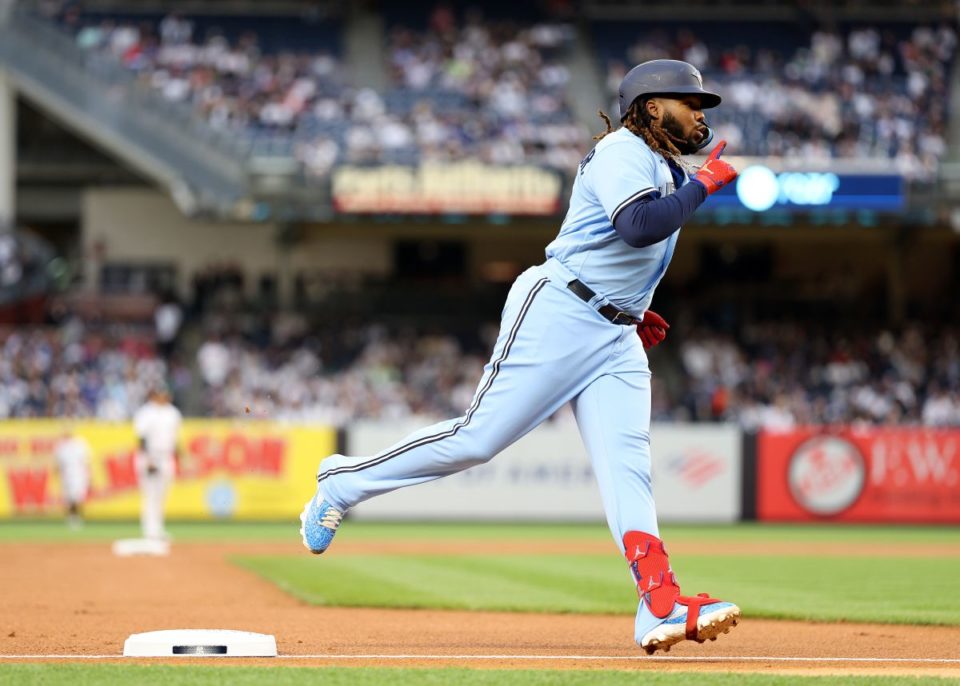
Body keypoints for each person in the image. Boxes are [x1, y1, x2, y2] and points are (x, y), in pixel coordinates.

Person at [300, 59, 742, 654]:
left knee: (628, 466)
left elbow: (635, 245)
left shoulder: (662, 166)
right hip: (561, 310)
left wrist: (633, 307)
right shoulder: (622, 149)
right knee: (477, 439)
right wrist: (705, 183)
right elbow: (637, 227)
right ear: (654, 107)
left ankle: (658, 602)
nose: (701, 115)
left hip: (614, 334)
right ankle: (342, 482)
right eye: (692, 103)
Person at [133, 387, 182, 540]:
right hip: (150, 455)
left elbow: (175, 438)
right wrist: (149, 460)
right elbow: (141, 438)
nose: (164, 396)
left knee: (162, 495)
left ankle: (158, 528)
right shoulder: (146, 412)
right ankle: (149, 529)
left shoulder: (173, 413)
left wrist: (180, 456)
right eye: (161, 393)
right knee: (150, 494)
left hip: (166, 456)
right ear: (154, 395)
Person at [54, 427, 92, 528]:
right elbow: (57, 464)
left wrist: (89, 476)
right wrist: (56, 475)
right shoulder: (60, 446)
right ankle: (71, 518)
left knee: (77, 497)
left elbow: (86, 461)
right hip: (66, 475)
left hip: (78, 474)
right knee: (68, 499)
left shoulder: (80, 444)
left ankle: (77, 518)